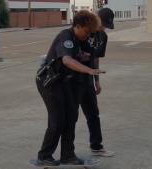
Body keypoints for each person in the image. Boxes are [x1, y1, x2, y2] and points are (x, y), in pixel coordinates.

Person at [35, 10, 105, 166]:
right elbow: (66, 60)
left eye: (90, 33)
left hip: (65, 82)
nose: (88, 35)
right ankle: (44, 155)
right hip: (49, 82)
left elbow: (93, 55)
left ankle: (68, 155)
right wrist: (89, 70)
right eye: (87, 31)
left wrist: (93, 73)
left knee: (71, 117)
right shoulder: (65, 36)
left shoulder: (82, 39)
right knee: (58, 120)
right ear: (78, 26)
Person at [75, 8, 115, 157]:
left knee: (93, 114)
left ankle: (96, 147)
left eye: (105, 25)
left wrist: (96, 81)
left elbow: (96, 58)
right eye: (102, 24)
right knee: (70, 116)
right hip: (73, 79)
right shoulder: (82, 30)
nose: (102, 27)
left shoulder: (102, 36)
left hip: (88, 78)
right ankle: (67, 152)